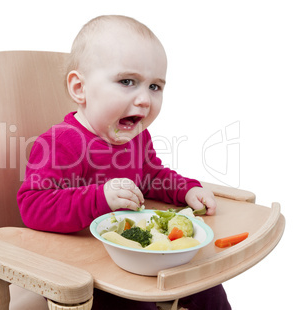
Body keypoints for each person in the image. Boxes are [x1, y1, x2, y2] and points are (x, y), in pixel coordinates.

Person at [17, 15, 231, 310]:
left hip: (133, 259)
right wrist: (100, 197)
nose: (144, 99)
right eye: (127, 82)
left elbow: (151, 176)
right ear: (80, 89)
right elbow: (32, 206)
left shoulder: (137, 137)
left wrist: (184, 190)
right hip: (80, 272)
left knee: (207, 285)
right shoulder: (60, 142)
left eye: (155, 86)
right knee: (137, 304)